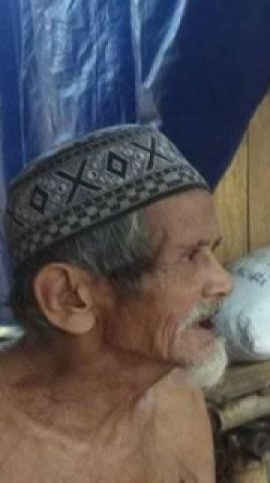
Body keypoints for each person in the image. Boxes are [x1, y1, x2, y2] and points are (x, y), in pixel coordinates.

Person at [0, 124, 233, 482]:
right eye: (189, 256)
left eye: (211, 252)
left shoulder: (177, 403)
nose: (223, 282)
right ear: (69, 297)